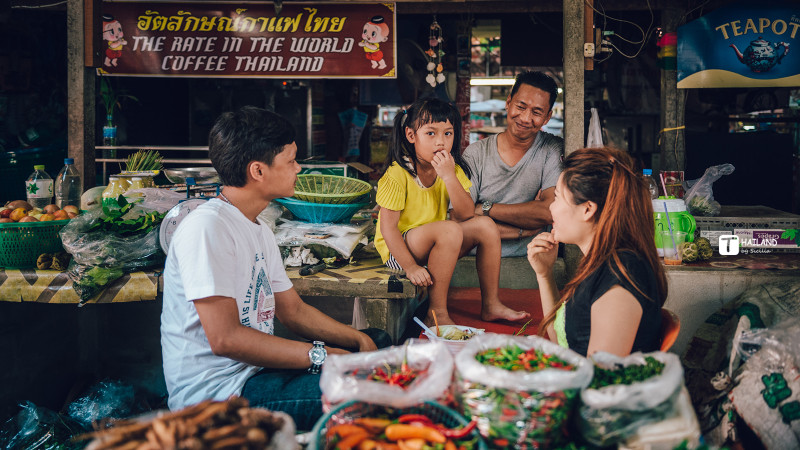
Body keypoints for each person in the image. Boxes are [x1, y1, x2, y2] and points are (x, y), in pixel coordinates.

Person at [160, 106, 387, 431]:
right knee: (369, 395)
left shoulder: (257, 227)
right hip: (218, 398)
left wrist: (357, 341)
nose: (298, 169)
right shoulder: (207, 228)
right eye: (291, 161)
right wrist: (323, 355)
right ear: (258, 171)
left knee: (379, 342)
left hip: (255, 372)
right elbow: (225, 339)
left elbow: (292, 311)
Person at [374, 97, 529, 326]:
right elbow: (388, 229)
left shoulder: (451, 169)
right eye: (431, 133)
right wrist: (411, 267)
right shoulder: (398, 174)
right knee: (449, 230)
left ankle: (491, 304)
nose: (441, 142)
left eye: (448, 133)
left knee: (485, 225)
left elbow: (466, 213)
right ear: (410, 135)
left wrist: (448, 176)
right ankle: (436, 312)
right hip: (400, 253)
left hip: (437, 244)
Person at [526, 147, 667, 357]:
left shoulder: (622, 274)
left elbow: (601, 377)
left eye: (556, 198)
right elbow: (566, 342)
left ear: (587, 209)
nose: (550, 208)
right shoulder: (601, 263)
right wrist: (544, 274)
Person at [463, 71, 563, 257]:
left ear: (547, 117)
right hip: (476, 262)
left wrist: (485, 208)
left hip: (533, 263)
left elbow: (549, 212)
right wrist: (524, 231)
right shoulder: (476, 153)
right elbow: (462, 219)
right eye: (521, 106)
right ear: (508, 103)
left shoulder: (552, 149)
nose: (525, 118)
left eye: (536, 112)